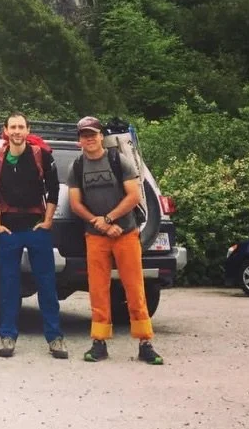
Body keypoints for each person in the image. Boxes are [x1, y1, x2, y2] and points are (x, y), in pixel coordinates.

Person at [67, 116, 164, 365]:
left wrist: (108, 219)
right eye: (84, 135)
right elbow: (76, 203)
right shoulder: (77, 167)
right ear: (79, 140)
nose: (89, 138)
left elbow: (133, 196)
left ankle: (145, 343)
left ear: (101, 136)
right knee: (98, 291)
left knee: (134, 288)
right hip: (96, 236)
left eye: (93, 133)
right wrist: (98, 222)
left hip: (126, 233)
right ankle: (99, 343)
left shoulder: (117, 160)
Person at [0, 113, 68, 359]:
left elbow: (54, 190)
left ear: (28, 130)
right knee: (9, 286)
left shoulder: (41, 155)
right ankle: (7, 336)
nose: (17, 131)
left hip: (36, 228)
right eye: (13, 127)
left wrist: (48, 221)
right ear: (6, 130)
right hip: (8, 231)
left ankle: (55, 338)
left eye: (21, 127)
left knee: (47, 285)